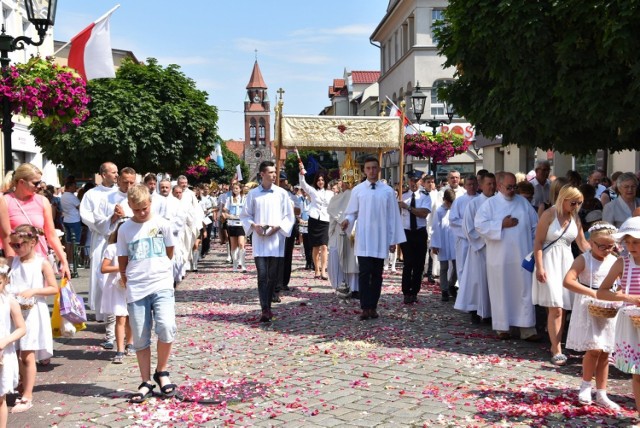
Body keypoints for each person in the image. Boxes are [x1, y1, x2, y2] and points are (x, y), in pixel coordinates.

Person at [116, 185, 177, 403]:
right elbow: (122, 260)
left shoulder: (162, 224)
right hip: (137, 287)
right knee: (141, 336)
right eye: (136, 209)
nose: (141, 213)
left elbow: (170, 251)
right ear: (129, 206)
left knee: (167, 326)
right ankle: (145, 381)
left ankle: (161, 370)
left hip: (161, 283)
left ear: (150, 203)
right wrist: (127, 280)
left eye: (145, 208)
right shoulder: (125, 230)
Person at [475, 172, 539, 340]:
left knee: (524, 290)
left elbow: (535, 227)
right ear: (499, 186)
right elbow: (480, 226)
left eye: (514, 187)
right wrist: (500, 225)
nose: (512, 190)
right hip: (500, 258)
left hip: (522, 256)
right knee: (502, 291)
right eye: (508, 187)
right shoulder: (490, 205)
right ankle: (503, 326)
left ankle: (527, 328)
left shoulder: (523, 203)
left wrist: (534, 249)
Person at [563, 221, 620, 409]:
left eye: (610, 246)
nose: (606, 250)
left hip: (608, 307)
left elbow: (620, 282)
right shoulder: (584, 259)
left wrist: (617, 295)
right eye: (601, 246)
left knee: (605, 351)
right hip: (589, 305)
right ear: (591, 242)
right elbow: (568, 281)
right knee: (594, 348)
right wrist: (592, 293)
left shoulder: (614, 260)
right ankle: (586, 385)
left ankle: (602, 392)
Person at [341, 156, 405, 320]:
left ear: (379, 170)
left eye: (374, 168)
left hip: (380, 238)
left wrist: (393, 240)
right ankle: (365, 306)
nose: (371, 171)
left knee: (377, 274)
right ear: (364, 170)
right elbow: (351, 212)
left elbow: (393, 217)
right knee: (364, 273)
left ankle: (373, 306)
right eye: (368, 168)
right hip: (364, 238)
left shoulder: (388, 191)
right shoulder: (358, 190)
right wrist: (347, 221)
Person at [532, 185, 590, 365]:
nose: (576, 206)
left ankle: (556, 345)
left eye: (579, 203)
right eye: (573, 202)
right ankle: (556, 348)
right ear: (563, 199)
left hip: (566, 261)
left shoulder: (575, 218)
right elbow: (538, 243)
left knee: (563, 307)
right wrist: (540, 267)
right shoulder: (549, 214)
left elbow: (582, 244)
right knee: (555, 307)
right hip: (549, 262)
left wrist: (603, 252)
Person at [7, 225, 58, 413]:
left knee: (27, 354)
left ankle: (28, 394)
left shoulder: (41, 262)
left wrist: (34, 290)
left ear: (33, 243)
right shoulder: (13, 261)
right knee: (16, 350)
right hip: (14, 312)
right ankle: (22, 384)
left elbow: (53, 288)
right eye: (12, 244)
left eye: (19, 245)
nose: (14, 248)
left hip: (33, 312)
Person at [240, 161, 295, 322]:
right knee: (262, 274)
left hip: (276, 240)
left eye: (275, 172)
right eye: (270, 172)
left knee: (272, 275)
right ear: (262, 174)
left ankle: (269, 304)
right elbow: (245, 215)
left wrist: (278, 227)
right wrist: (253, 226)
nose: (274, 175)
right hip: (259, 240)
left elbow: (288, 216)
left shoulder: (281, 193)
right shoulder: (253, 194)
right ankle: (265, 308)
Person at [596, 216, 640, 414]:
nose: (631, 246)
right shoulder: (623, 263)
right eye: (628, 242)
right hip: (632, 323)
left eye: (636, 242)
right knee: (637, 373)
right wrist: (625, 296)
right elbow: (602, 291)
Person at [0, 163, 71, 279]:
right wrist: (12, 264)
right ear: (21, 182)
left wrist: (64, 261)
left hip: (39, 260)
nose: (39, 186)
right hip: (17, 261)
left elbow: (51, 235)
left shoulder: (43, 201)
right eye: (35, 183)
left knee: (39, 296)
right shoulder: (5, 201)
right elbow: (6, 236)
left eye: (40, 182)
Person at [79, 162, 118, 325]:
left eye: (117, 172)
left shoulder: (120, 193)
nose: (117, 175)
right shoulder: (91, 194)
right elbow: (85, 216)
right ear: (103, 174)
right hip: (99, 239)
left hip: (117, 238)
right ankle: (101, 313)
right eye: (113, 172)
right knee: (99, 273)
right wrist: (106, 224)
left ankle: (116, 312)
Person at [455, 173, 496, 323]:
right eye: (489, 184)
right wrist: (485, 239)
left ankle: (491, 312)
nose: (492, 187)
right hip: (479, 249)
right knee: (477, 281)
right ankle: (475, 309)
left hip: (496, 249)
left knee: (492, 282)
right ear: (482, 186)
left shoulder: (499, 202)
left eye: (494, 184)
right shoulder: (474, 204)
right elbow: (468, 227)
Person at [100, 225, 133, 365]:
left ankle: (130, 343)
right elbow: (104, 268)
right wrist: (121, 267)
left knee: (131, 316)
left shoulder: (134, 247)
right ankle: (119, 349)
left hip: (131, 284)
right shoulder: (112, 248)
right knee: (120, 318)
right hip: (116, 285)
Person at [398, 171, 431, 304]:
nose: (413, 183)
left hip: (419, 232)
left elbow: (423, 213)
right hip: (406, 232)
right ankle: (406, 291)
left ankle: (414, 291)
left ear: (420, 182)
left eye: (416, 181)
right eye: (411, 180)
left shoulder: (425, 196)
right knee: (408, 263)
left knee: (419, 264)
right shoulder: (403, 195)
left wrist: (408, 208)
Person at [0, 258, 26, 425]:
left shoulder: (9, 301)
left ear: (5, 280)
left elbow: (21, 328)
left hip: (3, 350)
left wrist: (5, 341)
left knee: (0, 397)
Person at [298, 169, 333, 280]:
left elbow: (334, 206)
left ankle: (323, 270)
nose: (320, 182)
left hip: (325, 220)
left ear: (325, 181)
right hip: (314, 219)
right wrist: (301, 173)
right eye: (318, 180)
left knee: (324, 246)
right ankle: (316, 269)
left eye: (322, 180)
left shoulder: (330, 193)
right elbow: (303, 184)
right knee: (315, 246)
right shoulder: (312, 191)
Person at [327, 180, 359, 298]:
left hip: (344, 232)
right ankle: (354, 288)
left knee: (348, 261)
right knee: (352, 262)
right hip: (348, 232)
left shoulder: (343, 197)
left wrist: (330, 235)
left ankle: (341, 287)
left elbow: (332, 221)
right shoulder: (357, 195)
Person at [448, 175, 478, 296]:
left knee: (476, 268)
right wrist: (468, 224)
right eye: (469, 184)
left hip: (478, 239)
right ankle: (464, 294)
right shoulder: (459, 201)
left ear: (478, 185)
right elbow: (453, 219)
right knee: (462, 267)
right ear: (464, 186)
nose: (471, 187)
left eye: (474, 184)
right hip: (464, 239)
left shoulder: (482, 199)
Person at [431, 189, 457, 302]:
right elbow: (435, 228)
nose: (450, 205)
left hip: (454, 241)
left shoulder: (455, 209)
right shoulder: (439, 211)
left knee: (457, 266)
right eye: (448, 202)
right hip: (443, 242)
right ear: (444, 200)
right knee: (444, 267)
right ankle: (444, 289)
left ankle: (451, 283)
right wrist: (435, 244)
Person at [223, 182, 247, 272]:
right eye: (234, 188)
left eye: (237, 188)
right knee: (233, 246)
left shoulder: (244, 199)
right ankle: (235, 264)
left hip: (241, 224)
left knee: (241, 244)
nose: (235, 190)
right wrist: (226, 214)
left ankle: (243, 264)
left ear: (240, 189)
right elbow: (225, 210)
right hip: (232, 223)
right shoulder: (229, 199)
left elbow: (248, 210)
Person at [60, 178, 81, 265]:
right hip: (74, 220)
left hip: (67, 219)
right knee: (75, 242)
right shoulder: (72, 197)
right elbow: (80, 207)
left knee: (68, 241)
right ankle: (73, 261)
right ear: (69, 187)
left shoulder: (63, 196)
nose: (75, 188)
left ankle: (69, 260)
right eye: (74, 186)